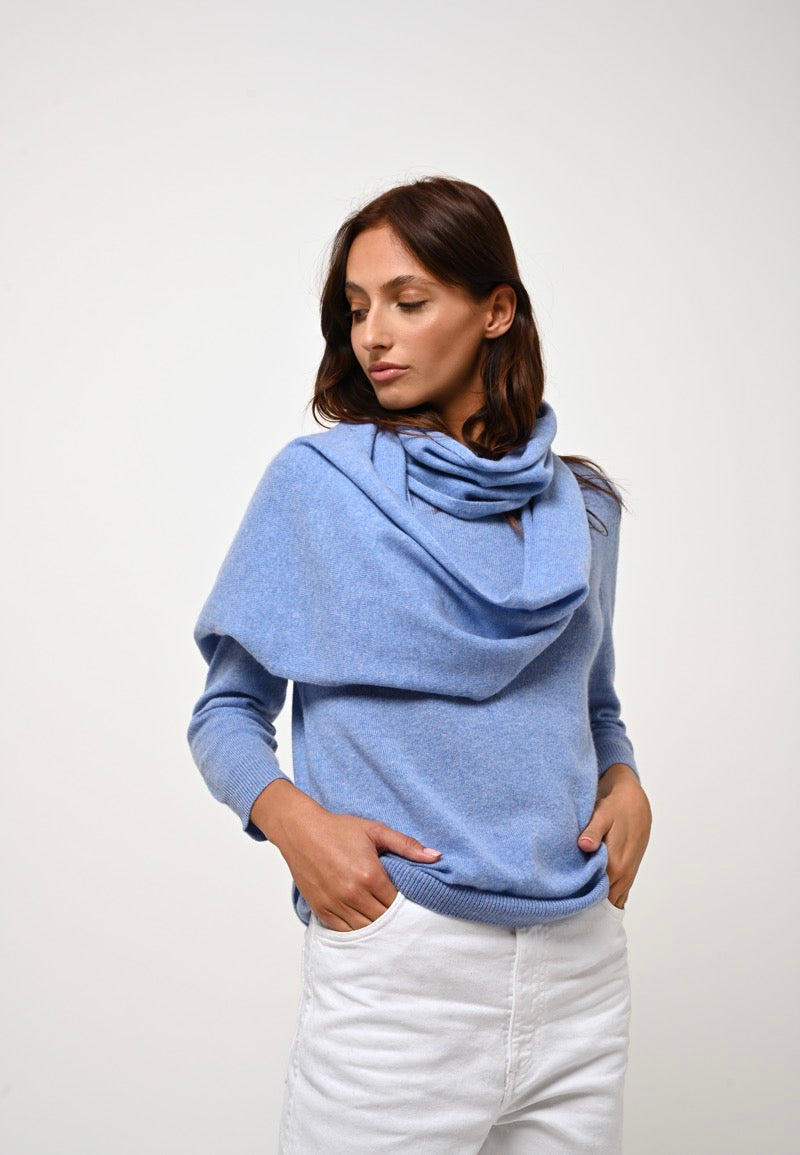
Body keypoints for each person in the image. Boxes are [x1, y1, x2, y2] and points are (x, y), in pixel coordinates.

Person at [187, 175, 652, 1154]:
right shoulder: (317, 487)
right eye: (357, 310)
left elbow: (593, 704)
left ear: (495, 311)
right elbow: (225, 711)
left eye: (407, 301)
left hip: (578, 970)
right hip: (403, 968)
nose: (374, 336)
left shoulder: (581, 508)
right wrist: (297, 826)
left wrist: (625, 780)